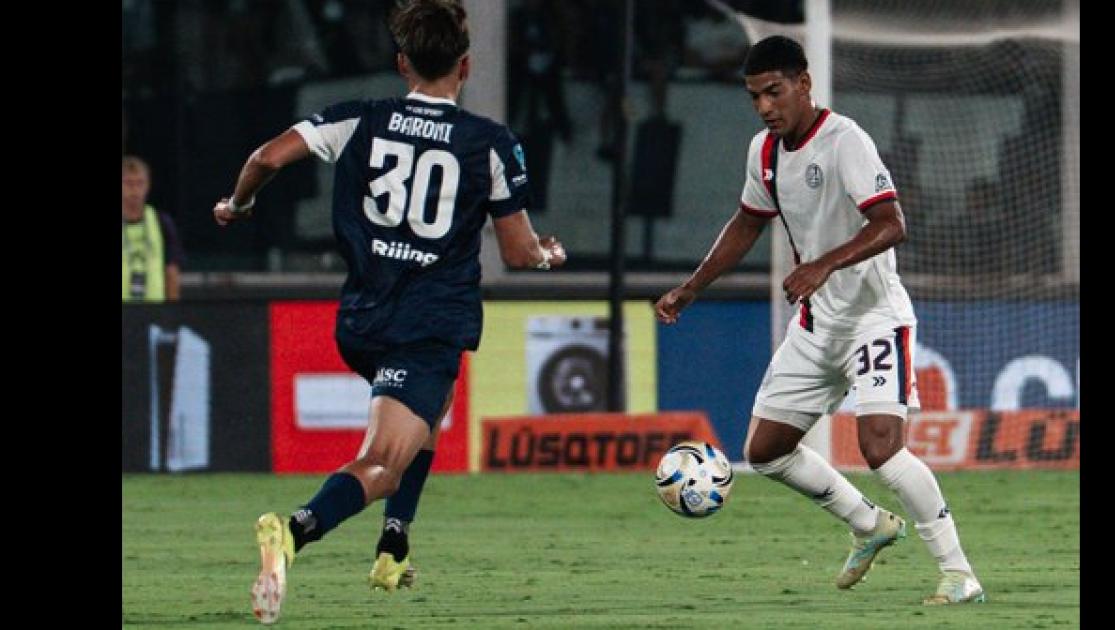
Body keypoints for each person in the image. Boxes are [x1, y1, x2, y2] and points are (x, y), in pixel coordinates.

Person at [211, 0, 567, 623]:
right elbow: (515, 249)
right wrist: (545, 253)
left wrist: (239, 206)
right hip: (426, 322)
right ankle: (291, 533)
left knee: (433, 410)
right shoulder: (490, 143)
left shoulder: (359, 119)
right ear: (466, 65)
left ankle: (393, 545)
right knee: (380, 461)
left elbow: (266, 158)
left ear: (403, 63)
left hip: (361, 318)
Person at [655, 36, 984, 605]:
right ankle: (868, 524)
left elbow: (891, 222)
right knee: (765, 451)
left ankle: (958, 572)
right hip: (816, 325)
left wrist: (823, 266)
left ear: (803, 83)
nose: (764, 106)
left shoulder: (844, 140)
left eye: (774, 91)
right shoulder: (763, 151)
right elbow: (745, 224)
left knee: (881, 447)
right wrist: (692, 287)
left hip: (874, 318)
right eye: (755, 96)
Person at [123, 155, 184, 302]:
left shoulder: (161, 221)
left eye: (140, 183)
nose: (135, 190)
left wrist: (172, 313)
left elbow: (172, 270)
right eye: (128, 183)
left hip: (154, 311)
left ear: (148, 185)